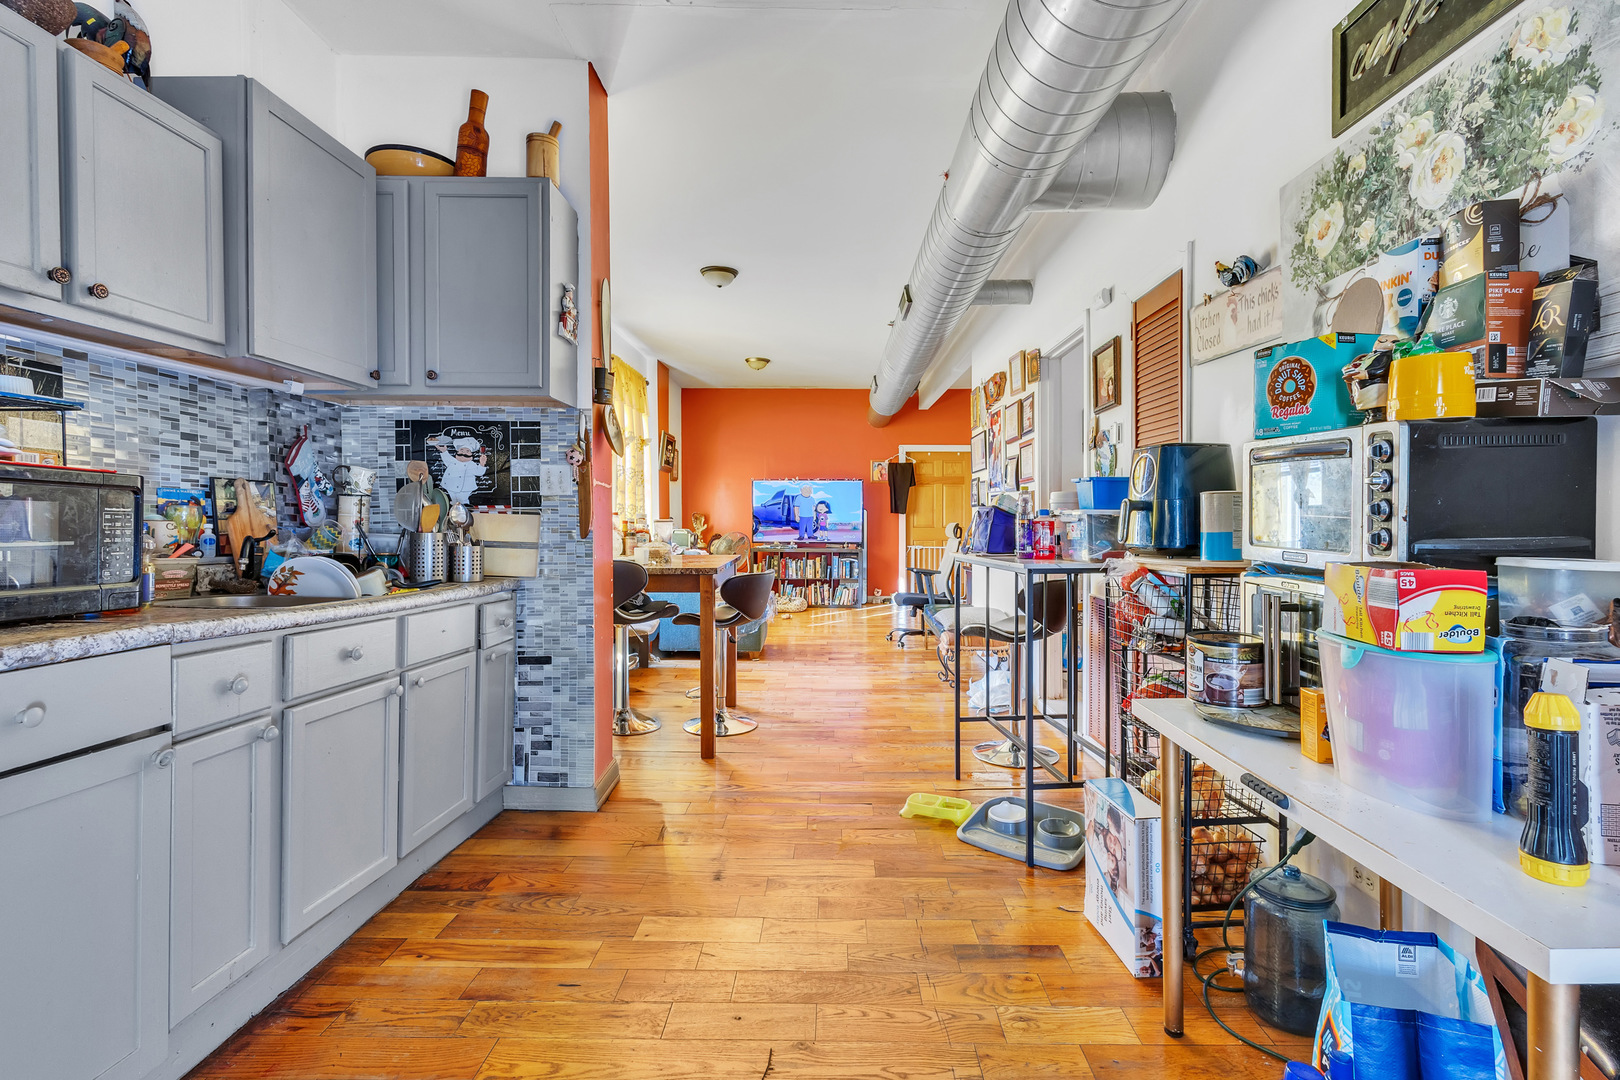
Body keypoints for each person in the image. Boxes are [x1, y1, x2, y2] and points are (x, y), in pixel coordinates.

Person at [430, 435, 487, 505]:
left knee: (463, 500)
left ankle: (465, 507)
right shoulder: (453, 461)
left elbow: (479, 472)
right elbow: (446, 458)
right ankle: (453, 507)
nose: (464, 453)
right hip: (450, 485)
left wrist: (482, 464)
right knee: (453, 500)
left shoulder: (471, 464)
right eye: (461, 450)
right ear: (457, 452)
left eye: (467, 451)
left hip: (465, 488)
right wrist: (444, 451)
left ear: (471, 454)